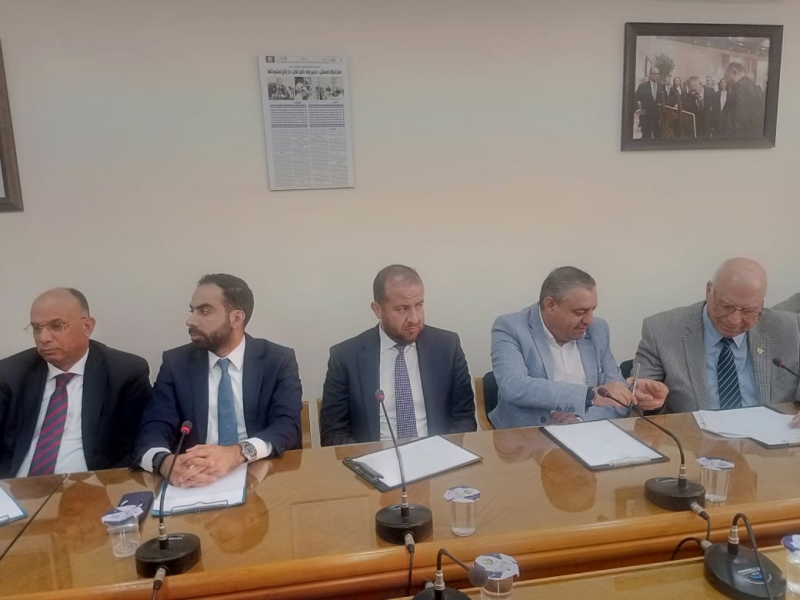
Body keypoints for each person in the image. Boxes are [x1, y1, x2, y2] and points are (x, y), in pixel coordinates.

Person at [135, 274, 302, 487]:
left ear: (236, 318)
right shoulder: (176, 363)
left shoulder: (277, 360)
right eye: (192, 311)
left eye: (204, 311)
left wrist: (237, 453)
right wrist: (165, 462)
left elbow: (287, 425)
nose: (190, 321)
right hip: (196, 479)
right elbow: (154, 425)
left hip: (263, 475)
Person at [489, 267, 667, 429]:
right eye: (580, 312)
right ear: (550, 305)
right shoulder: (511, 327)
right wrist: (589, 396)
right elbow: (514, 386)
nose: (589, 320)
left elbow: (616, 399)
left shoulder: (598, 330)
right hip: (525, 438)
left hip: (588, 432)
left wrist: (580, 419)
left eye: (592, 310)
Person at [0, 288, 151, 478]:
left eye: (56, 326)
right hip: (15, 485)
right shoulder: (11, 372)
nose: (43, 338)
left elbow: (139, 444)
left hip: (91, 485)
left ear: (87, 326)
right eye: (37, 328)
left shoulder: (124, 372)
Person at [320, 264, 476, 446]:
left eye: (419, 305)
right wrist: (370, 458)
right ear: (378, 309)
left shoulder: (447, 347)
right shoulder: (346, 357)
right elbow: (333, 432)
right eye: (402, 309)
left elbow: (464, 418)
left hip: (437, 453)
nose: (414, 318)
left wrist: (442, 452)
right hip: (373, 458)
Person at [635, 258, 800, 413]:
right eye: (726, 306)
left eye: (748, 310)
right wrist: (650, 401)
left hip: (771, 431)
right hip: (692, 432)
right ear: (709, 291)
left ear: (761, 303)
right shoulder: (661, 330)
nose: (734, 320)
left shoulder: (791, 329)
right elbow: (640, 396)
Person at [719, 62, 765, 137]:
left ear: (734, 72)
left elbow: (738, 124)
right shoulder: (753, 87)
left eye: (726, 76)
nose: (725, 81)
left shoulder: (740, 90)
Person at [634, 67, 665, 139]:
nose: (657, 76)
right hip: (646, 116)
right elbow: (636, 98)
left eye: (658, 74)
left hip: (658, 117)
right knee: (646, 137)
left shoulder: (662, 86)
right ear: (650, 75)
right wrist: (638, 109)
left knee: (658, 137)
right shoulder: (642, 86)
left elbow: (665, 100)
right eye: (654, 74)